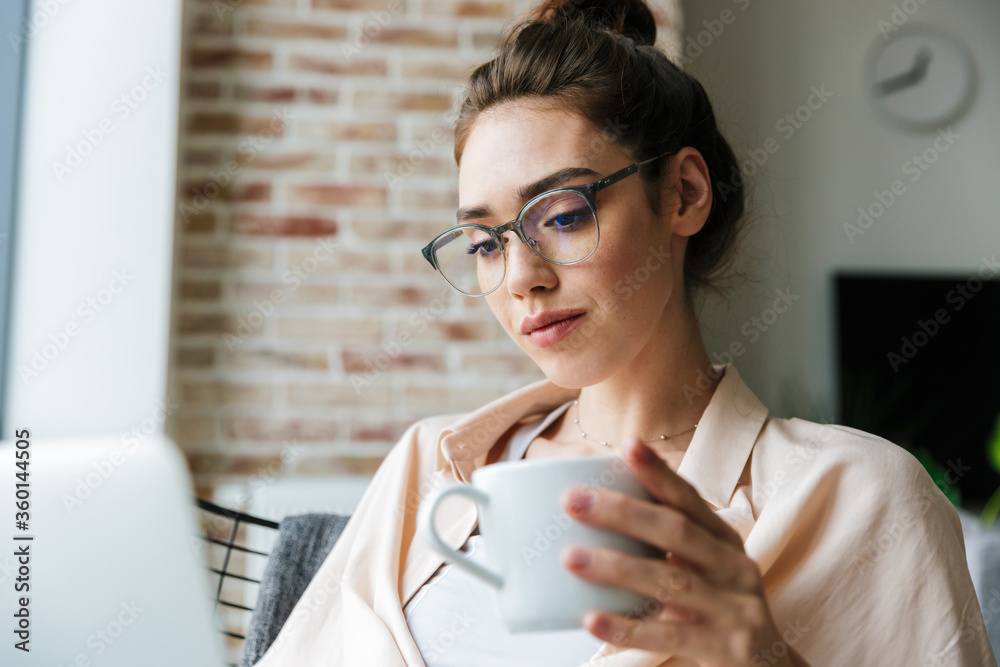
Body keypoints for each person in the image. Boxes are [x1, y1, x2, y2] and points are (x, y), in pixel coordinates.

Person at [250, 1, 996, 665]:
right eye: (485, 243)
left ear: (685, 193)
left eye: (563, 216)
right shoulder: (429, 465)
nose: (521, 277)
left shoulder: (859, 497)